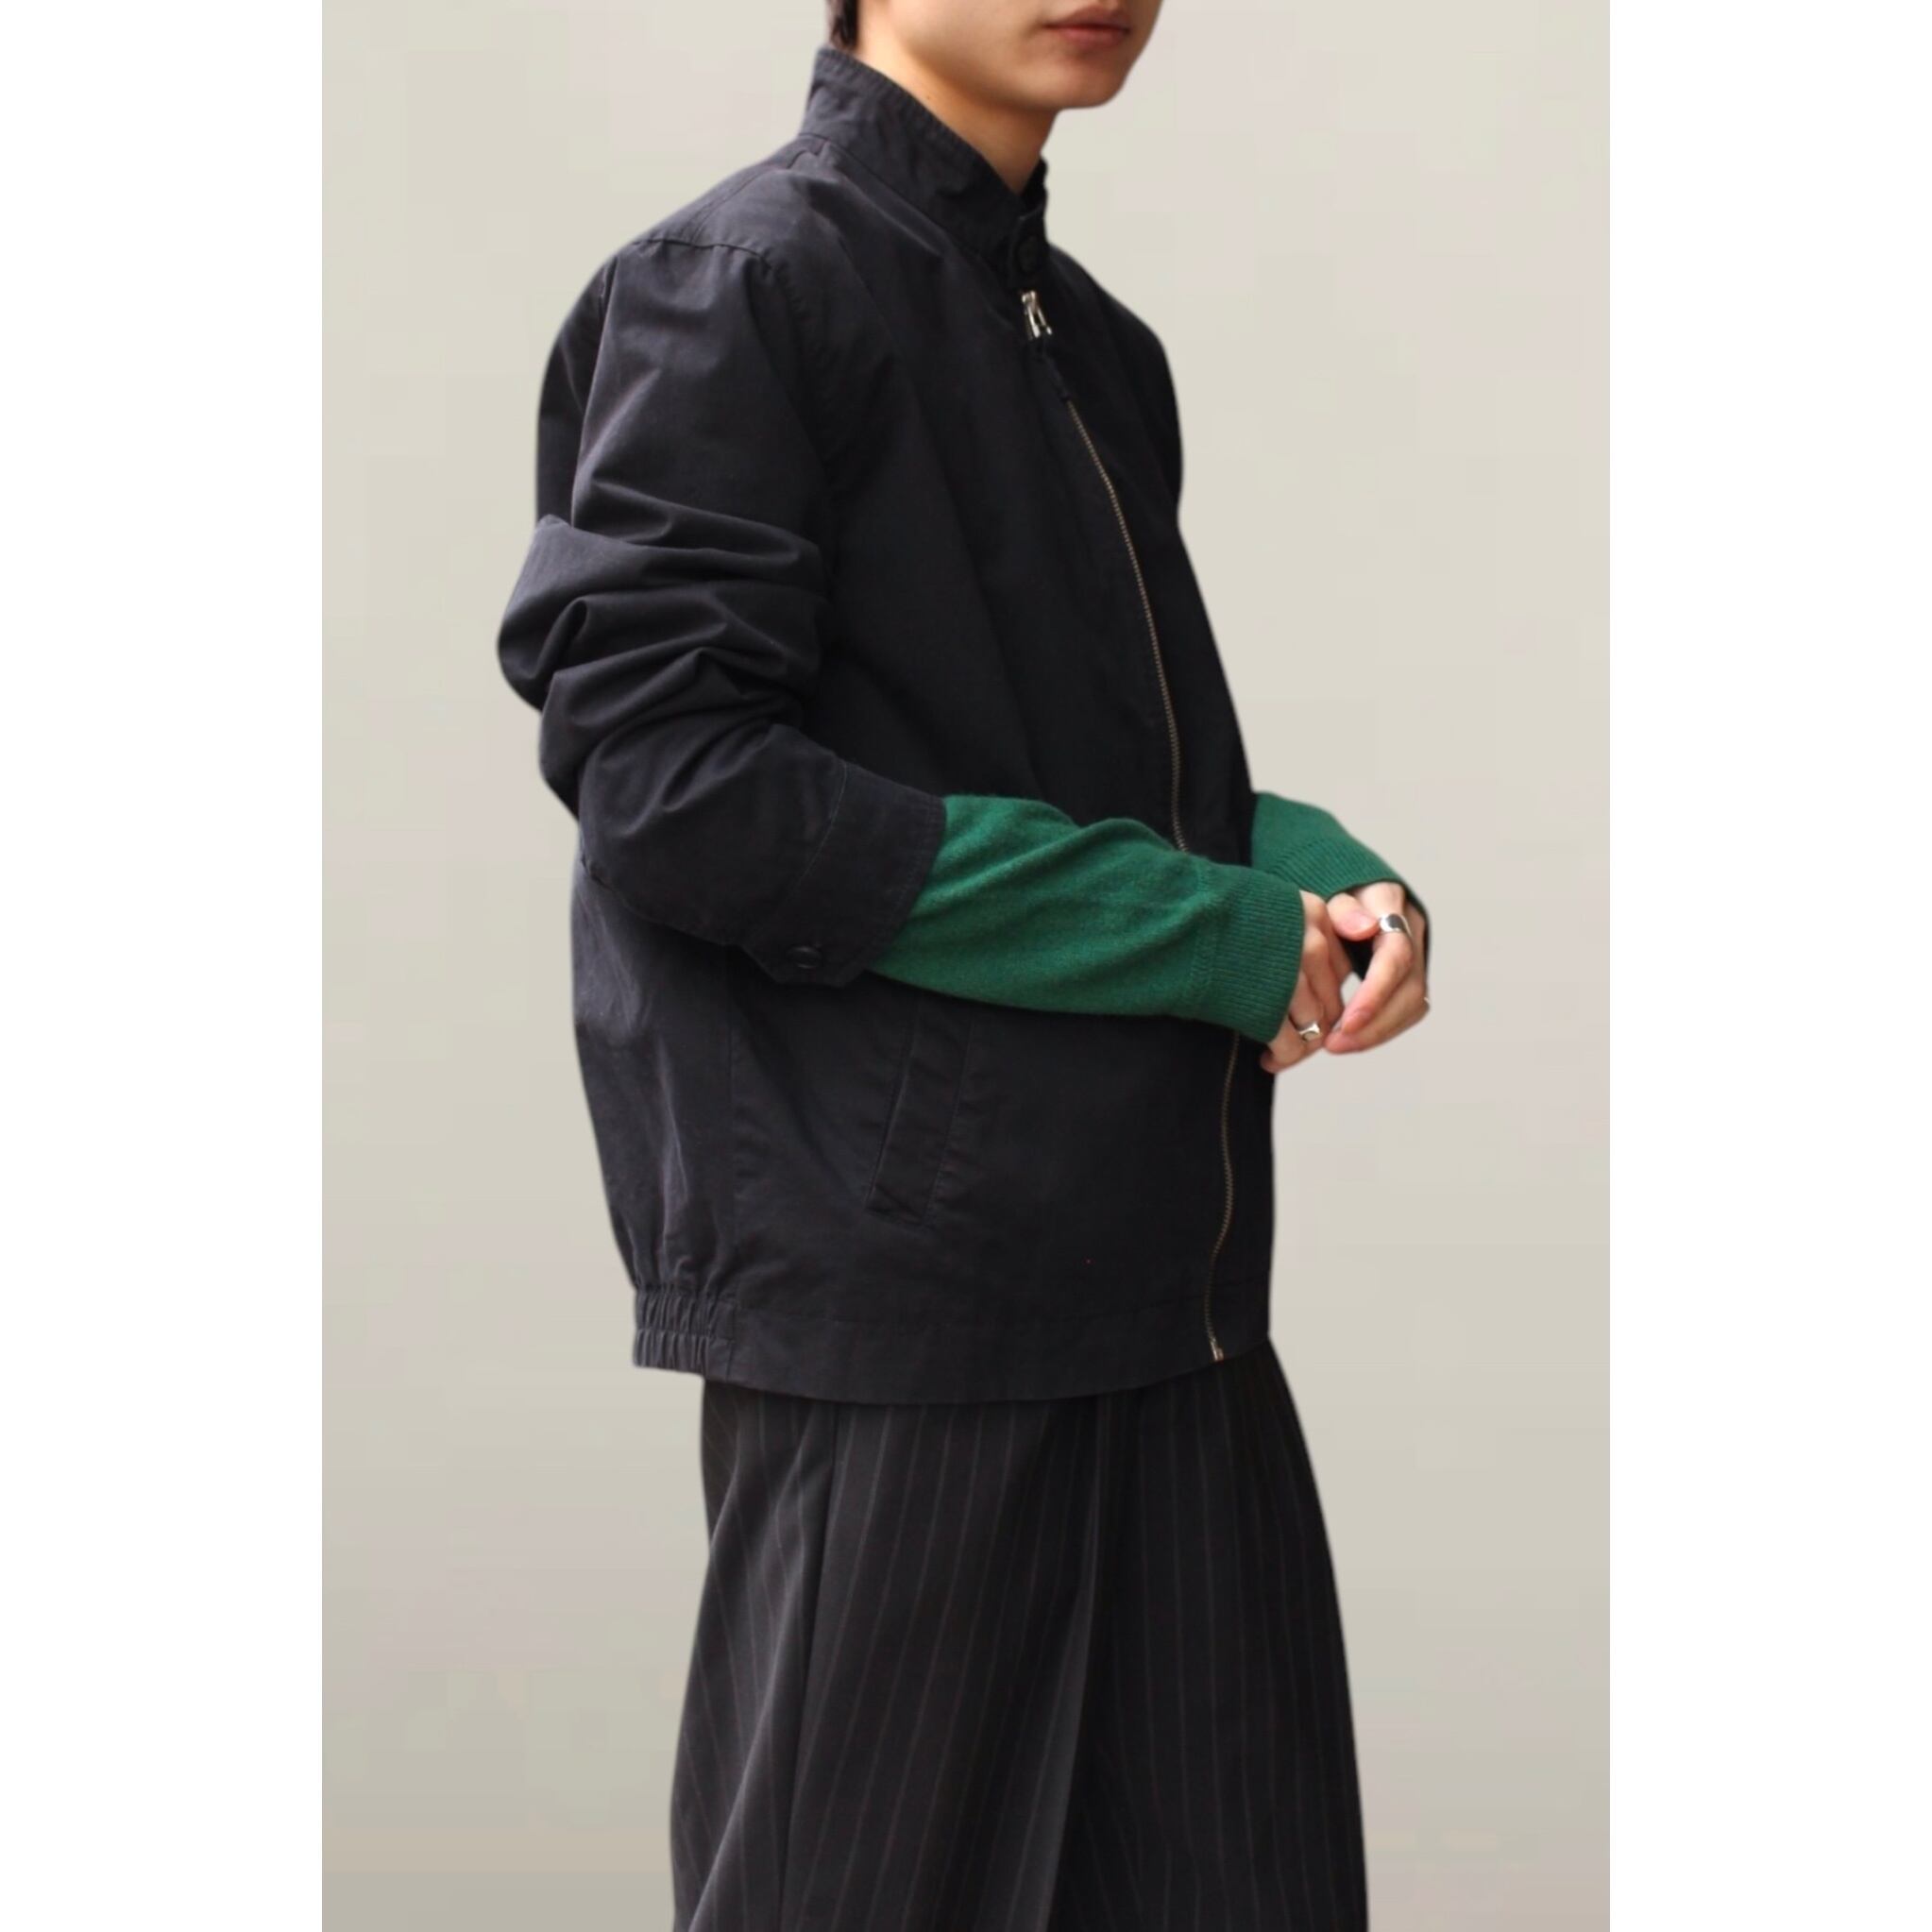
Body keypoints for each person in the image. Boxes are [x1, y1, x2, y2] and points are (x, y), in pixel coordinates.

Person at [498, 3, 1433, 1924]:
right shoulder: (739, 288)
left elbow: (1082, 776)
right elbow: (679, 786)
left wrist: (1318, 874)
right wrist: (1203, 931)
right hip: (905, 1319)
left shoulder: (1089, 341)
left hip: (1166, 1295)